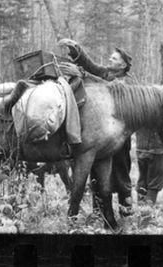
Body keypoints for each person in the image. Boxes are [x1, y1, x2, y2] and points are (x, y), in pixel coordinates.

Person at [58, 38, 137, 215]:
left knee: (121, 172)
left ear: (123, 65)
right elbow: (91, 65)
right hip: (102, 135)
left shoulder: (127, 83)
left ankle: (126, 208)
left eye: (114, 59)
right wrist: (76, 49)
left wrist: (82, 75)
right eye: (110, 57)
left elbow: (112, 88)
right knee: (98, 172)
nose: (110, 60)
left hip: (119, 138)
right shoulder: (107, 73)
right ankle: (99, 210)